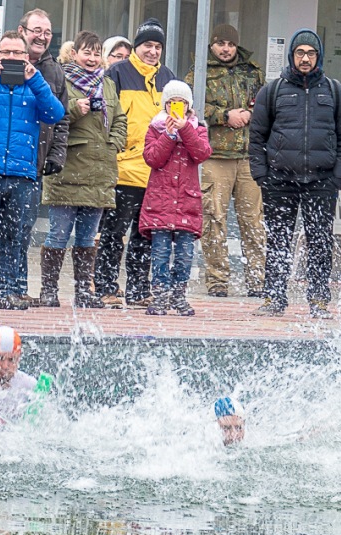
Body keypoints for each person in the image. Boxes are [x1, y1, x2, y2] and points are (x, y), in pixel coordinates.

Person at [249, 28, 341, 318]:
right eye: (300, 53)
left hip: (322, 181)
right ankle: (274, 298)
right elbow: (257, 137)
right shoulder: (272, 90)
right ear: (292, 56)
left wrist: (339, 176)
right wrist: (262, 175)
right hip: (280, 181)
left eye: (310, 53)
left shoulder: (334, 90)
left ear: (318, 56)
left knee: (320, 242)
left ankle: (319, 300)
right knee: (278, 240)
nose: (305, 58)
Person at [0, 31, 64, 311]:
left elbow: (55, 113)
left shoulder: (34, 86)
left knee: (14, 236)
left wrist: (35, 79)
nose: (12, 58)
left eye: (18, 53)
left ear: (27, 57)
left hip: (23, 173)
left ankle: (7, 290)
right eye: (6, 53)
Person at [38, 30, 126, 309]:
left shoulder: (107, 84)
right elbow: (51, 116)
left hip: (100, 171)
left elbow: (121, 119)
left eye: (96, 52)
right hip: (68, 169)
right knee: (58, 235)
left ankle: (83, 292)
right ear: (73, 53)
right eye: (86, 52)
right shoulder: (60, 79)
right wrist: (75, 110)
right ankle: (49, 291)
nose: (92, 57)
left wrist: (114, 143)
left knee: (88, 237)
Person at [96, 18, 175, 308]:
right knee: (113, 234)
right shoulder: (117, 72)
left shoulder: (168, 77)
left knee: (146, 236)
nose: (153, 51)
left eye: (157, 47)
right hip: (123, 170)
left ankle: (139, 290)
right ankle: (105, 286)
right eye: (147, 45)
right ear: (136, 47)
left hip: (155, 172)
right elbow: (106, 118)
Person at [186, 23, 265, 298]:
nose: (226, 49)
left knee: (253, 222)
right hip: (215, 156)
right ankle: (217, 281)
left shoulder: (253, 71)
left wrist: (251, 114)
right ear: (212, 45)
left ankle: (258, 281)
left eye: (230, 44)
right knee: (213, 220)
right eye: (221, 44)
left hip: (248, 157)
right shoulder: (198, 73)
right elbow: (190, 107)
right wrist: (224, 115)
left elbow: (265, 103)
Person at [139, 79, 211, 316]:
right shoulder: (155, 128)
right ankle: (160, 296)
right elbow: (152, 158)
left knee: (184, 255)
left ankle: (179, 296)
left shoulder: (197, 127)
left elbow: (201, 153)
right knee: (159, 253)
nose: (176, 107)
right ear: (165, 105)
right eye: (171, 103)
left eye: (181, 103)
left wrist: (184, 129)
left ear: (188, 105)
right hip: (160, 200)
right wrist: (169, 134)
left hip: (187, 202)